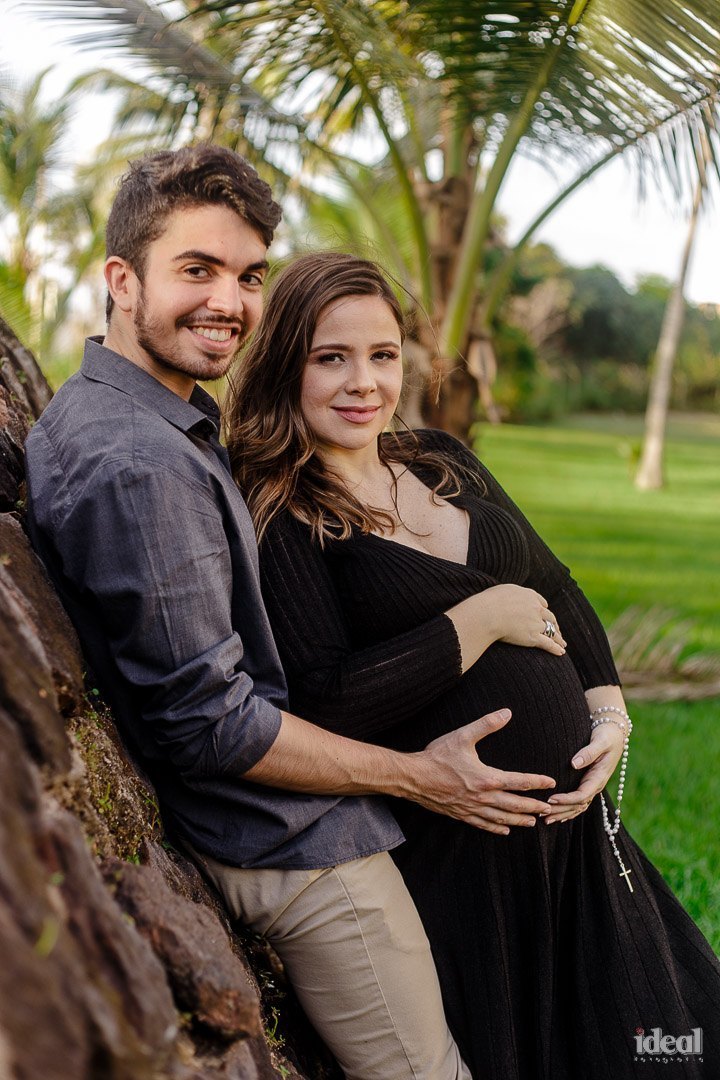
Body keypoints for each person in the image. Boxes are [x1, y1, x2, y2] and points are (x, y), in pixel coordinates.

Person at [23, 145, 570, 1080]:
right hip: (304, 856)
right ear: (121, 279)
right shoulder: (140, 465)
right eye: (196, 270)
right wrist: (418, 776)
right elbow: (214, 726)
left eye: (247, 276)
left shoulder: (154, 422)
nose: (228, 303)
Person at [225, 251, 720, 1080]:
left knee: (662, 1040)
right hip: (468, 855)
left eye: (382, 355)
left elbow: (554, 582)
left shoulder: (439, 456)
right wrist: (478, 620)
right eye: (330, 357)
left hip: (579, 839)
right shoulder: (284, 509)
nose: (363, 383)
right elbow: (326, 697)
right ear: (286, 366)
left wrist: (608, 710)